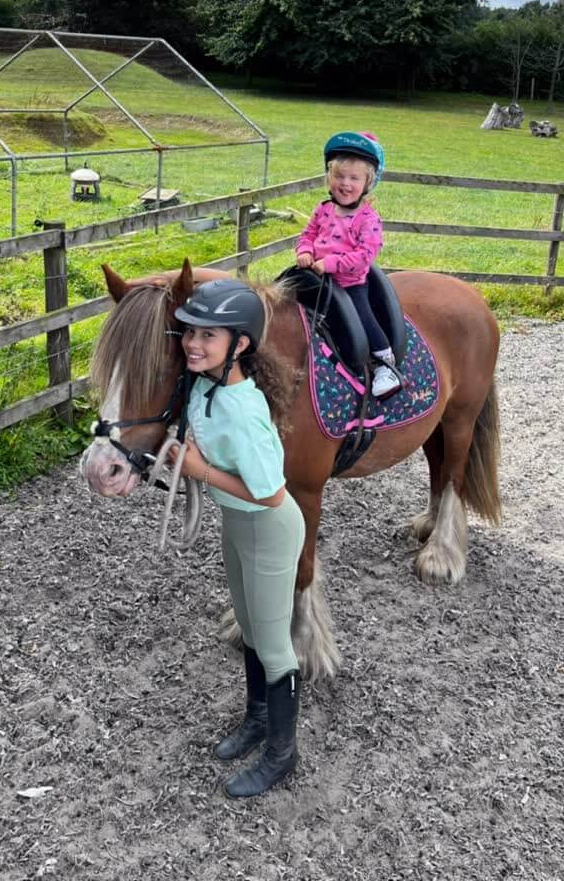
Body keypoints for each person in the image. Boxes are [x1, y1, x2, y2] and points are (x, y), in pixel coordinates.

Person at [169, 277, 305, 799]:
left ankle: (281, 752)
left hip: (267, 526)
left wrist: (199, 470)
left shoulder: (245, 411)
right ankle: (256, 719)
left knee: (274, 647)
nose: (193, 345)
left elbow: (270, 494)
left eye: (209, 336)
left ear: (240, 346)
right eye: (189, 333)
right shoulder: (204, 384)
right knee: (249, 628)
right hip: (238, 523)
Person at [295, 131, 401, 399]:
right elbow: (307, 235)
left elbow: (364, 255)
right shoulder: (323, 210)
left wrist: (329, 263)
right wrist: (305, 251)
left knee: (362, 318)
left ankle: (385, 364)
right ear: (329, 178)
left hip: (349, 284)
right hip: (314, 277)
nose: (345, 184)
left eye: (354, 178)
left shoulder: (368, 219)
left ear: (367, 182)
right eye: (339, 176)